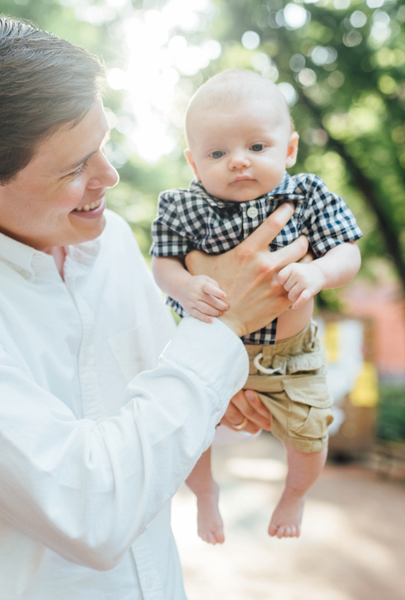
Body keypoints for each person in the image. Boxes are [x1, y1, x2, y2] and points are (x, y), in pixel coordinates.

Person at [0, 16, 308, 599]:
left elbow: (158, 402)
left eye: (103, 143)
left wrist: (228, 397)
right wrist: (223, 333)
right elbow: (88, 508)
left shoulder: (110, 239)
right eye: (75, 168)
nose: (109, 177)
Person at [150, 69, 362, 544]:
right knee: (190, 435)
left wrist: (318, 273)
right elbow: (162, 264)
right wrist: (184, 287)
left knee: (310, 436)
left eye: (257, 147)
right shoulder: (185, 207)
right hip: (209, 346)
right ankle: (205, 494)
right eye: (218, 153)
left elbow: (348, 251)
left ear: (288, 148)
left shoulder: (306, 196)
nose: (238, 162)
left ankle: (295, 493)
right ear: (194, 161)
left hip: (290, 357)